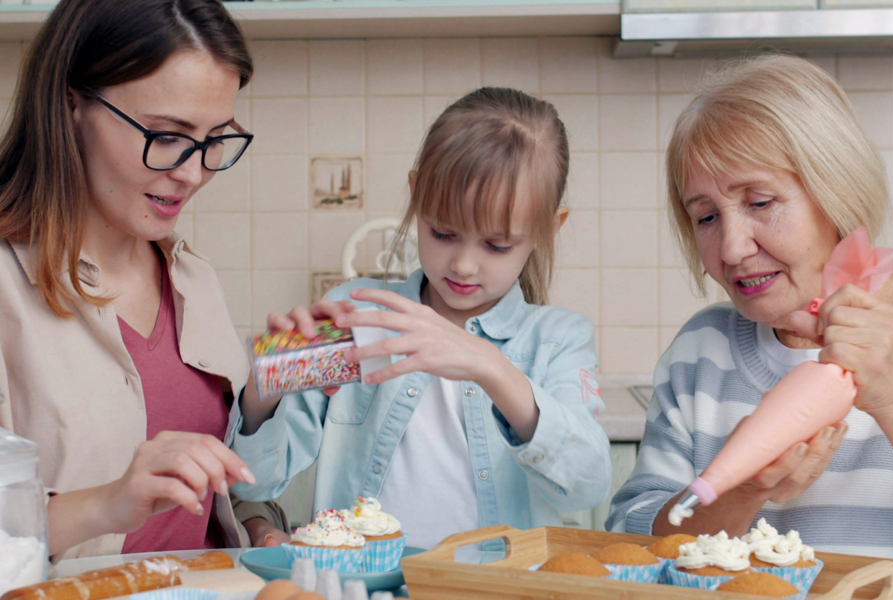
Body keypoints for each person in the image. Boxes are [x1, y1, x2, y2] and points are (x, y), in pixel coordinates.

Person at [229, 87, 612, 549]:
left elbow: (588, 484)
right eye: (444, 232)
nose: (464, 265)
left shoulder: (558, 339)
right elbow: (252, 485)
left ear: (548, 229)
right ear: (417, 196)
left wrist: (489, 366)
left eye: (497, 245)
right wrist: (264, 388)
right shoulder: (357, 316)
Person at [0, 0, 291, 560]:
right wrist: (109, 503)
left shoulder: (193, 278)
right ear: (70, 105)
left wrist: (272, 382)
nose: (192, 172)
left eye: (214, 140)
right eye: (166, 134)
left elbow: (223, 495)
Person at [606, 54, 893, 558]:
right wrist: (743, 490)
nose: (732, 249)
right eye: (706, 218)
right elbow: (629, 541)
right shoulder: (702, 353)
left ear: (837, 192)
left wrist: (891, 400)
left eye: (760, 203)